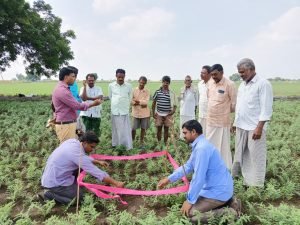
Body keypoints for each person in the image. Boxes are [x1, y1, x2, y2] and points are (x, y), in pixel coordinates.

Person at [158, 120, 238, 224]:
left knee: (190, 213)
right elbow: (188, 166)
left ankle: (228, 212)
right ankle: (230, 201)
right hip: (217, 188)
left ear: (194, 132)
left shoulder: (201, 149)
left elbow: (199, 178)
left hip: (218, 191)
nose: (183, 136)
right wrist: (168, 179)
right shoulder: (201, 145)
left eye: (185, 133)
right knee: (189, 203)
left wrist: (189, 201)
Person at [40, 131, 124, 204]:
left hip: (51, 175)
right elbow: (97, 172)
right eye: (92, 147)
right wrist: (116, 183)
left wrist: (97, 161)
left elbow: (81, 157)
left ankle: (71, 186)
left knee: (80, 169)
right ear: (85, 143)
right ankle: (49, 195)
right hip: (54, 183)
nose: (93, 150)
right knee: (79, 198)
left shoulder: (73, 142)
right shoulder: (78, 154)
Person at [232, 58, 273, 186]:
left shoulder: (263, 84)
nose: (241, 75)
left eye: (243, 72)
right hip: (241, 125)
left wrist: (259, 127)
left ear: (252, 69)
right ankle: (243, 179)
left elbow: (266, 108)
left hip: (254, 127)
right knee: (241, 154)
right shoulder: (242, 85)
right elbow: (240, 106)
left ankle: (255, 184)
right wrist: (235, 123)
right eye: (239, 72)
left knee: (255, 156)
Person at [52, 67, 101, 143]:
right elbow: (77, 105)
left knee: (76, 142)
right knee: (68, 148)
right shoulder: (62, 90)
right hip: (66, 125)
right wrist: (93, 104)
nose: (74, 79)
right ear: (66, 77)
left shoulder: (64, 88)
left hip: (70, 123)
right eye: (73, 76)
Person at [206, 64, 237, 169]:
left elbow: (234, 104)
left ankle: (225, 168)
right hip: (210, 121)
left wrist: (223, 110)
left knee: (223, 147)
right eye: (212, 74)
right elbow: (208, 98)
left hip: (222, 122)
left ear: (222, 72)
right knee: (210, 145)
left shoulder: (230, 84)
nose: (213, 76)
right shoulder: (210, 83)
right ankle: (211, 166)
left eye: (215, 74)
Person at [108, 69, 133, 150]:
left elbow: (130, 97)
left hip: (124, 111)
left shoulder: (129, 86)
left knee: (125, 130)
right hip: (115, 110)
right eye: (119, 77)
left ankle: (126, 146)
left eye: (122, 77)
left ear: (124, 76)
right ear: (116, 76)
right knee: (115, 129)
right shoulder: (111, 85)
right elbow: (110, 97)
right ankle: (115, 144)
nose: (120, 79)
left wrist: (124, 104)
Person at [152, 76, 177, 149]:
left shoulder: (171, 93)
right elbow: (153, 103)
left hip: (168, 114)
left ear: (169, 83)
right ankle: (159, 143)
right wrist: (153, 113)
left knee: (166, 129)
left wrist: (173, 111)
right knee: (159, 129)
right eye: (164, 82)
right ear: (162, 82)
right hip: (159, 114)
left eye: (167, 82)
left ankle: (165, 144)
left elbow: (175, 104)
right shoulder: (157, 92)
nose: (165, 84)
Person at [131, 76, 150, 149]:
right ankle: (132, 141)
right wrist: (140, 102)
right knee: (133, 128)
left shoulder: (147, 91)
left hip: (144, 113)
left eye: (143, 83)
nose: (142, 84)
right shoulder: (133, 90)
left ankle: (141, 142)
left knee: (143, 128)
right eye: (141, 82)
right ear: (138, 81)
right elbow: (131, 100)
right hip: (135, 113)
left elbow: (146, 102)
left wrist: (137, 101)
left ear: (145, 83)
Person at [198, 65, 211, 136]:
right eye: (201, 73)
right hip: (201, 114)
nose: (201, 74)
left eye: (203, 73)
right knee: (201, 133)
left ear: (209, 74)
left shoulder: (213, 84)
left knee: (209, 134)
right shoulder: (200, 84)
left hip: (210, 115)